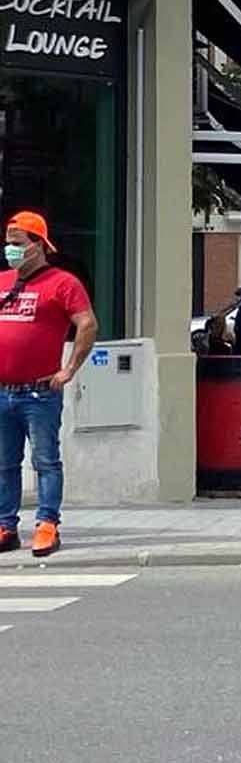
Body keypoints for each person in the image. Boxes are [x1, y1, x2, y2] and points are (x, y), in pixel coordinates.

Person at [0, 211, 98, 557]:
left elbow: (87, 324)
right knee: (4, 462)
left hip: (39, 391)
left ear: (38, 245)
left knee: (44, 460)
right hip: (3, 390)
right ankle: (6, 525)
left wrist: (69, 369)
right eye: (8, 242)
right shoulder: (3, 281)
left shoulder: (62, 283)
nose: (9, 249)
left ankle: (47, 523)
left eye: (17, 243)